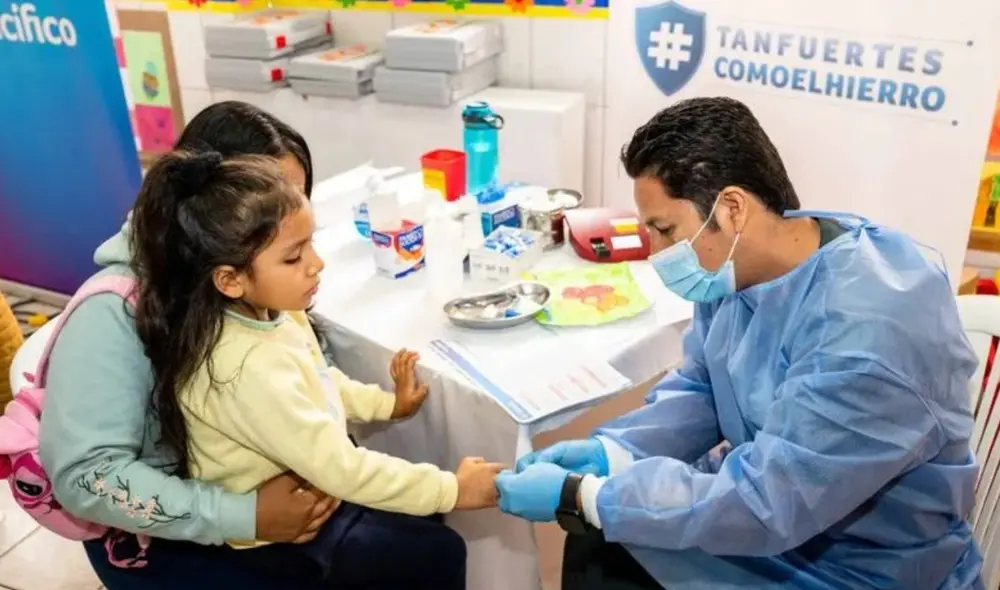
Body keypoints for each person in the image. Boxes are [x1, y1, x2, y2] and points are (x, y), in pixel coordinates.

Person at [494, 97, 984, 590]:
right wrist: (612, 454)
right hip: (784, 525)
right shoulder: (738, 271)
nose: (658, 254)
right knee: (599, 541)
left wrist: (586, 495)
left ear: (731, 209)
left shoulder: (868, 335)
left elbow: (769, 502)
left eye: (665, 230)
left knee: (603, 525)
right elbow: (703, 387)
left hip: (865, 566)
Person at [126, 149, 501, 588]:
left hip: (313, 483)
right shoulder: (245, 369)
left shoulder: (272, 313)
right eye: (293, 256)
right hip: (280, 535)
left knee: (426, 520)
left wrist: (386, 406)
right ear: (230, 280)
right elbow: (341, 468)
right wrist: (455, 488)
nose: (316, 263)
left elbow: (318, 380)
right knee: (437, 550)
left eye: (311, 244)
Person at [38, 102, 341, 590]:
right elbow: (85, 477)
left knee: (414, 544)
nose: (291, 232)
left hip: (244, 499)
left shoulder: (242, 282)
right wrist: (246, 515)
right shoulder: (113, 313)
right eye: (268, 210)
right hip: (159, 539)